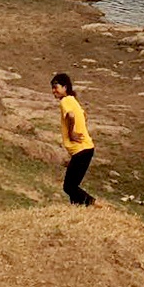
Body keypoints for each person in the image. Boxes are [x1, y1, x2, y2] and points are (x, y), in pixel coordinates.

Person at [51, 72, 95, 206]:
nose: (54, 91)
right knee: (72, 186)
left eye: (56, 87)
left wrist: (71, 133)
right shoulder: (73, 100)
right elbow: (83, 115)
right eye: (52, 88)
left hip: (81, 150)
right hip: (86, 149)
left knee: (69, 187)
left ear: (65, 87)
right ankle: (77, 210)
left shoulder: (65, 101)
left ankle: (93, 204)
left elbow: (70, 115)